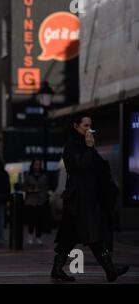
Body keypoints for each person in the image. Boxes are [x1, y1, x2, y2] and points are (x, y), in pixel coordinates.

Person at [51, 115, 129, 283]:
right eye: (86, 125)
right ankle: (110, 270)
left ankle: (57, 270)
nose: (89, 129)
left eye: (90, 125)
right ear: (76, 126)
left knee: (69, 237)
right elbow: (81, 166)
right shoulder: (72, 145)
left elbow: (100, 167)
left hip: (87, 198)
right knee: (93, 234)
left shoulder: (85, 145)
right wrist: (89, 147)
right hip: (79, 199)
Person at [23, 159, 49, 246]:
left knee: (39, 220)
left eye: (39, 164)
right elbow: (24, 187)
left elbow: (46, 187)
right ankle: (30, 235)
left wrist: (44, 196)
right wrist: (30, 190)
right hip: (31, 200)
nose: (37, 166)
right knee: (31, 219)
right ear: (32, 165)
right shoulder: (28, 175)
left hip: (40, 200)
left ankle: (38, 237)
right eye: (36, 164)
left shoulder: (43, 175)